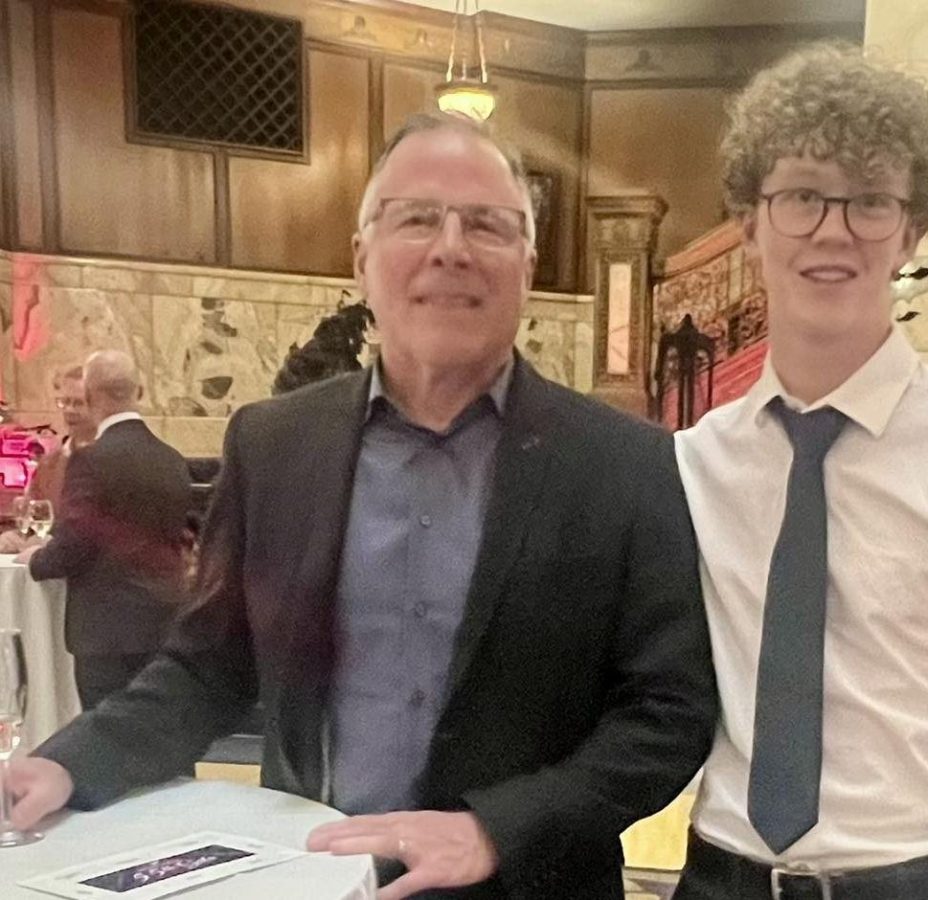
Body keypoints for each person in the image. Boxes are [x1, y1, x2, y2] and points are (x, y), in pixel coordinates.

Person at [8, 113, 717, 900]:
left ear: (527, 264)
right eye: (416, 219)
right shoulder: (273, 444)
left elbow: (667, 713)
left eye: (487, 224)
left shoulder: (627, 464)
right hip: (312, 875)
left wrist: (496, 828)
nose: (450, 248)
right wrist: (68, 762)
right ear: (361, 259)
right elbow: (209, 665)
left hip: (530, 884)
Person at [672, 45, 928, 900]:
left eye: (871, 201)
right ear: (749, 222)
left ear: (911, 231)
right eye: (802, 196)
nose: (834, 231)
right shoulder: (697, 461)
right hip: (718, 878)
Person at [17, 350, 191, 710]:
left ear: (90, 395)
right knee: (159, 727)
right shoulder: (171, 459)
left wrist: (35, 560)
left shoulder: (90, 461)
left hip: (107, 632)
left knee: (108, 733)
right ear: (139, 392)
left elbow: (75, 544)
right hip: (164, 622)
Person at [0, 366, 96, 553]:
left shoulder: (113, 461)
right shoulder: (50, 463)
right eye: (64, 402)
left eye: (78, 403)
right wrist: (17, 536)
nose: (69, 410)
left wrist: (48, 546)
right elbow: (35, 517)